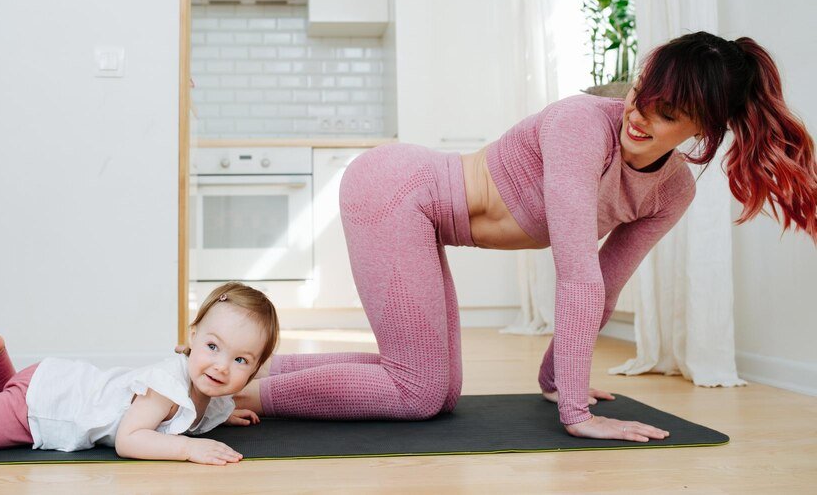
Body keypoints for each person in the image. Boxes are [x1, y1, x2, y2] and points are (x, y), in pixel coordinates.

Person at [232, 31, 817, 442]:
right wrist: (577, 412)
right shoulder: (581, 125)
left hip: (421, 214)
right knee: (417, 391)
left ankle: (250, 370)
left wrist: (556, 379)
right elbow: (577, 275)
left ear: (702, 128)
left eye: (667, 114)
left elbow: (606, 282)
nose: (639, 116)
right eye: (642, 94)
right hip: (395, 190)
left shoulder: (672, 192)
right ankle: (235, 395)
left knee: (440, 392)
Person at [0, 282, 279, 465]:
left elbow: (193, 411)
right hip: (44, 407)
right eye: (213, 347)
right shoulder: (167, 387)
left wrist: (221, 415)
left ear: (255, 369)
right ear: (193, 336)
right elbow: (129, 439)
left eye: (240, 360)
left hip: (53, 385)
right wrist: (189, 449)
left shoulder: (210, 392)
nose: (221, 366)